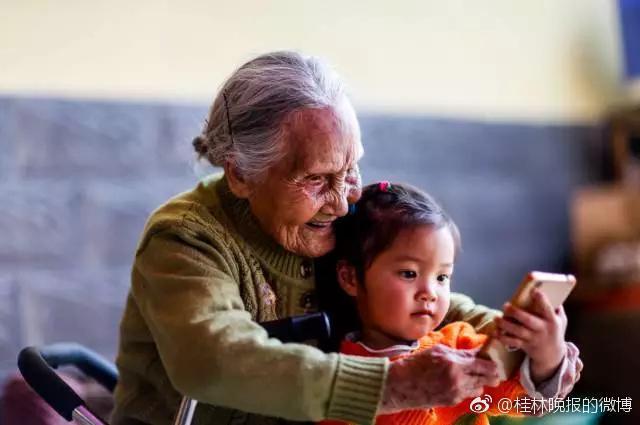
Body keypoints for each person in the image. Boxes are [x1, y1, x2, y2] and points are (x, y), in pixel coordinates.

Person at [110, 51, 582, 425]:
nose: (341, 202)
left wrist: (533, 343)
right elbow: (215, 360)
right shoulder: (186, 239)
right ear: (239, 175)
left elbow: (436, 305)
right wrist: (393, 385)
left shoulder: (345, 219)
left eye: (350, 169)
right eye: (316, 179)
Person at [317, 182, 578, 425]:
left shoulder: (458, 348)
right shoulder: (340, 379)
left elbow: (524, 400)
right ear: (350, 277)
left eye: (442, 277)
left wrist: (547, 356)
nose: (430, 292)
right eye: (409, 273)